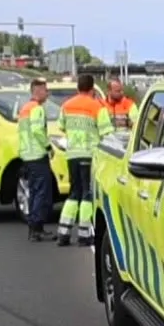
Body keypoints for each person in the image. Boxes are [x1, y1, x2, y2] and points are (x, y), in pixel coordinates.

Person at [56, 73, 113, 247]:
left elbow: (61, 126)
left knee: (74, 193)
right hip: (89, 155)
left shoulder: (67, 105)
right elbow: (107, 133)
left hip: (72, 154)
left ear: (78, 87)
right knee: (87, 194)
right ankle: (84, 234)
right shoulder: (97, 107)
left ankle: (63, 232)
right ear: (92, 88)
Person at [17, 79, 56, 242]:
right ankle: (37, 229)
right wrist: (48, 147)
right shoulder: (37, 109)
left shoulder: (24, 108)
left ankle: (33, 228)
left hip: (27, 155)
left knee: (34, 192)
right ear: (37, 91)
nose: (47, 93)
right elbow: (38, 131)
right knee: (42, 192)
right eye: (45, 90)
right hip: (37, 155)